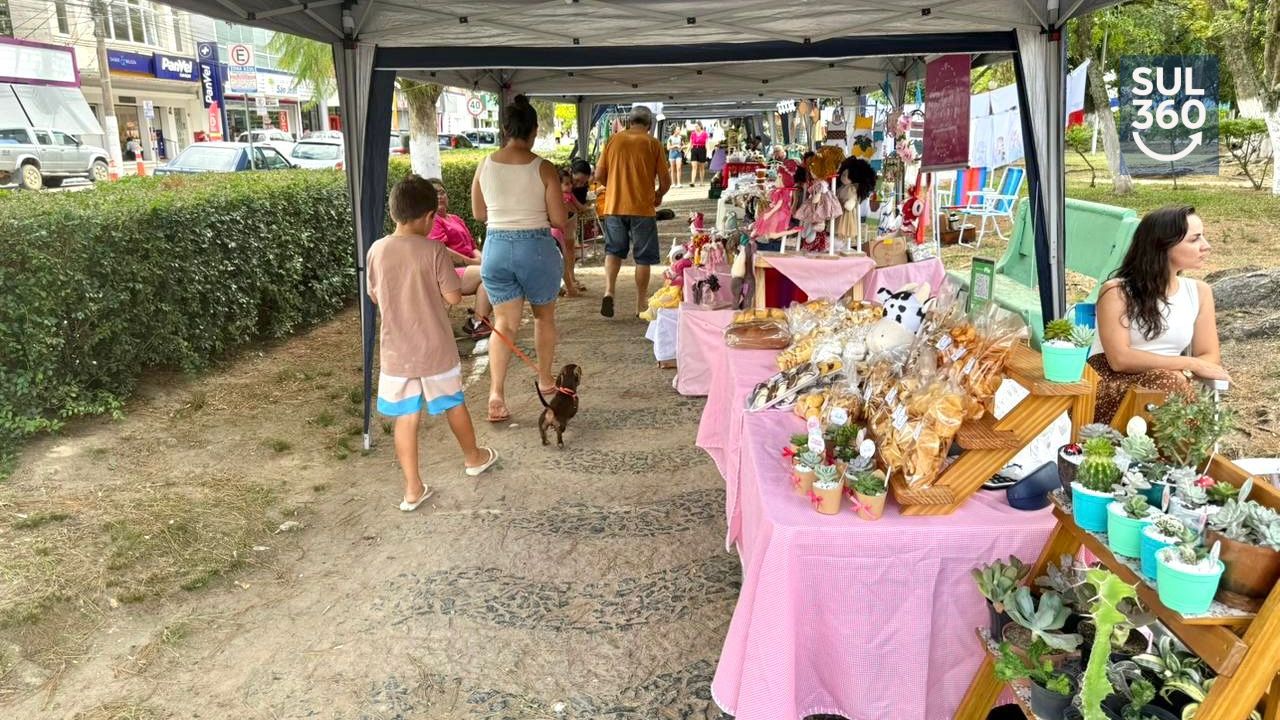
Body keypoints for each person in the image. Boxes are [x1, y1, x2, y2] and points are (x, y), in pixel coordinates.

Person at [367, 176, 498, 511]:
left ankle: (412, 488)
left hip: (397, 352)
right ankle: (474, 457)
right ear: (428, 217)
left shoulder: (376, 251)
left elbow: (374, 294)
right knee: (453, 403)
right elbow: (453, 295)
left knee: (406, 417)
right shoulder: (435, 250)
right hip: (435, 349)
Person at [471, 94, 568, 423]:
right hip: (536, 248)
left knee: (504, 324)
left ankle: (496, 393)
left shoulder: (484, 163)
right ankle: (544, 377)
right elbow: (558, 219)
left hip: (496, 247)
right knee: (543, 318)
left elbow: (478, 212)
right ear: (534, 131)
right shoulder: (544, 168)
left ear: (504, 129)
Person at [1089, 205, 1228, 424]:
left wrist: (1183, 371)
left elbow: (1209, 356)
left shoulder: (1199, 292)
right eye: (1194, 240)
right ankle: (1187, 455)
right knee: (1167, 384)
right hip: (1112, 386)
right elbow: (1119, 360)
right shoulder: (1117, 291)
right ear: (1163, 245)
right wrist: (1187, 365)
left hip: (1173, 387)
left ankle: (1183, 456)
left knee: (1169, 385)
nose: (1206, 246)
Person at [593, 104, 671, 319]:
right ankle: (640, 303)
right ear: (649, 124)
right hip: (642, 209)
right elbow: (665, 181)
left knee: (613, 251)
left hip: (614, 206)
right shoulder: (652, 143)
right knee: (643, 258)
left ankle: (609, 291)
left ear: (629, 121)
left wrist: (615, 185)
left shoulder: (614, 140)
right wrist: (658, 195)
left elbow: (598, 174)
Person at [424, 178, 493, 339]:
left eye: (442, 192)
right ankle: (478, 322)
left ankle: (477, 322)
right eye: (434, 194)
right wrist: (473, 263)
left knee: (489, 275)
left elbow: (472, 246)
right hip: (448, 271)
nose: (440, 196)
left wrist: (482, 260)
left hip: (469, 268)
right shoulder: (432, 220)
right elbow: (442, 251)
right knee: (490, 273)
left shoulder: (455, 219)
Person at [553, 167, 589, 297]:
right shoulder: (560, 197)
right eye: (567, 184)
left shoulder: (565, 196)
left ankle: (570, 280)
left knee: (567, 252)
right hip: (559, 229)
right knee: (561, 255)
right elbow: (579, 208)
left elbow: (578, 208)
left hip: (565, 226)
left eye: (570, 183)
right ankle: (567, 283)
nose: (570, 186)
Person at [688, 122, 709, 186]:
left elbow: (707, 143)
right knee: (694, 166)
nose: (696, 128)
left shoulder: (705, 134)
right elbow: (690, 143)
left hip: (702, 149)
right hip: (694, 149)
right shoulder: (693, 134)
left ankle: (702, 182)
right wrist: (687, 152)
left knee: (701, 167)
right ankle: (692, 182)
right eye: (695, 126)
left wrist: (708, 151)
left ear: (700, 126)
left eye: (697, 126)